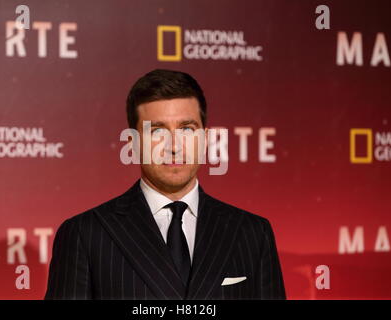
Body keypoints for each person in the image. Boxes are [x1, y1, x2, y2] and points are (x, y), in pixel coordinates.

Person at [44, 69, 286, 300]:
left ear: (205, 138)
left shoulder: (252, 233)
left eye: (187, 129)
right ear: (132, 143)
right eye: (157, 131)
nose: (174, 146)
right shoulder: (86, 234)